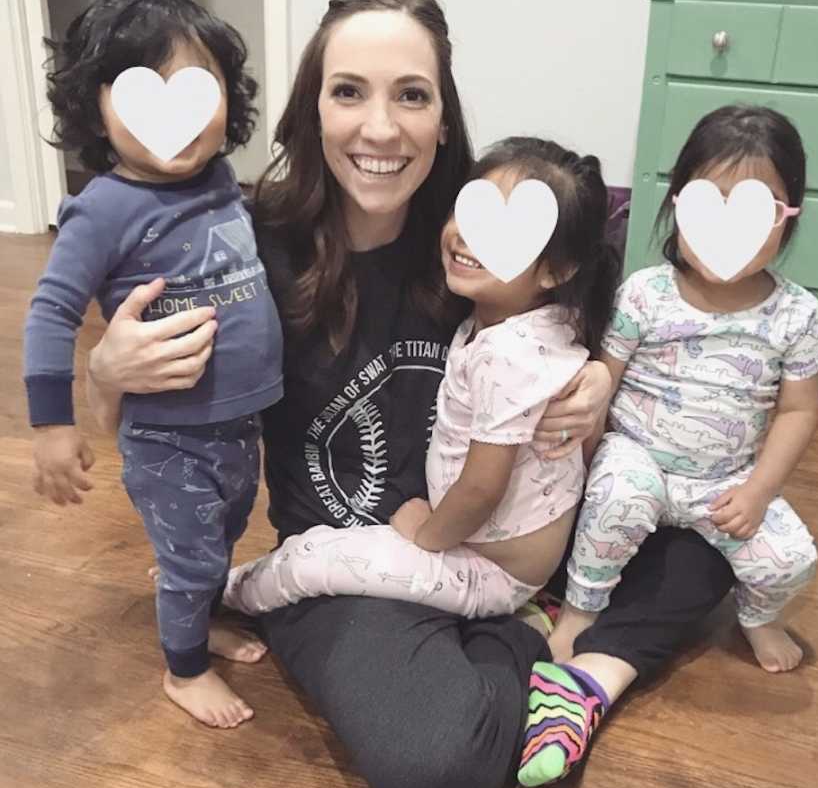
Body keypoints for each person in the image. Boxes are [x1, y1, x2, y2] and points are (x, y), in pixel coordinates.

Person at [85, 0, 735, 788]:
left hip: (505, 541)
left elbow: (607, 248)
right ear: (312, 108)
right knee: (443, 774)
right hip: (351, 569)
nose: (381, 129)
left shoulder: (482, 230)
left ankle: (540, 635)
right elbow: (144, 435)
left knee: (716, 540)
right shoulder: (245, 250)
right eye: (349, 90)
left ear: (442, 117)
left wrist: (604, 373)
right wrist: (106, 376)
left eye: (412, 95)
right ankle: (547, 645)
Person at [518, 106, 818, 788]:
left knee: (793, 559)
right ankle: (583, 612)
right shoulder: (647, 294)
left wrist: (760, 490)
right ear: (677, 206)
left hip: (728, 477)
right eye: (705, 207)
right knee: (616, 502)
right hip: (641, 458)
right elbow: (605, 378)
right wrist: (581, 459)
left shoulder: (795, 313)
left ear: (787, 218)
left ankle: (755, 617)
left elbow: (800, 409)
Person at [221, 136, 619, 621]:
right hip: (492, 553)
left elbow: (481, 488)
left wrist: (425, 534)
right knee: (324, 548)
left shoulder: (507, 355)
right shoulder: (532, 318)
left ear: (555, 271)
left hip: (483, 567)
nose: (467, 237)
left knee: (313, 562)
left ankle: (230, 595)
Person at [24, 0, 280, 729]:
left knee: (223, 535)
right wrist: (52, 428)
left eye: (198, 88)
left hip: (236, 424)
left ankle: (199, 608)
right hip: (169, 435)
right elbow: (50, 315)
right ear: (96, 109)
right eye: (143, 92)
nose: (178, 116)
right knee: (197, 554)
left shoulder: (222, 184)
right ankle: (184, 668)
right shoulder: (103, 209)